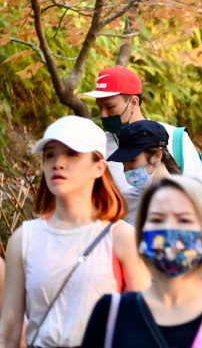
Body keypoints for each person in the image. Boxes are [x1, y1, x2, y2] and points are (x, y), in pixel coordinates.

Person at [0, 116, 149, 348]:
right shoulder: (24, 239)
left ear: (98, 167)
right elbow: (8, 333)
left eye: (72, 154)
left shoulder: (120, 237)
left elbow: (142, 326)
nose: (58, 163)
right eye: (50, 154)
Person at [82, 175, 202, 347]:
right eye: (157, 219)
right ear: (141, 231)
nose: (169, 229)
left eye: (183, 220)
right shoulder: (112, 312)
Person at [83, 65, 202, 221]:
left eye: (109, 107)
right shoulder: (98, 146)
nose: (103, 115)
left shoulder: (176, 138)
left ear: (134, 102)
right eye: (99, 107)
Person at [107, 120, 182, 196]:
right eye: (123, 161)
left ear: (157, 156)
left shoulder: (183, 195)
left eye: (132, 160)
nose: (126, 168)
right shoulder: (127, 199)